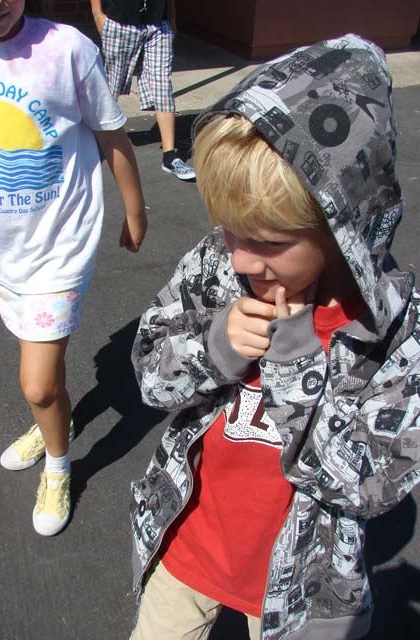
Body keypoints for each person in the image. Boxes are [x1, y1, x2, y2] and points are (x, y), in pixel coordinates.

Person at [129, 34, 420, 639]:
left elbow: (369, 483)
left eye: (268, 241)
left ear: (342, 223)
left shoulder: (392, 327)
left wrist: (293, 362)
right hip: (189, 543)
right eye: (229, 229)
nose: (240, 257)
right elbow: (151, 373)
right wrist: (214, 347)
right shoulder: (218, 266)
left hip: (299, 586)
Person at [0, 0, 147, 537]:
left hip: (58, 246)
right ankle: (54, 420)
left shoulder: (66, 49)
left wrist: (135, 209)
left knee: (36, 383)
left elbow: (111, 135)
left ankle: (59, 466)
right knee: (42, 372)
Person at [90, 0, 196, 181]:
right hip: (120, 23)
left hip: (159, 25)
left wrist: (171, 19)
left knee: (162, 85)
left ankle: (170, 156)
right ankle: (94, 146)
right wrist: (98, 15)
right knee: (110, 88)